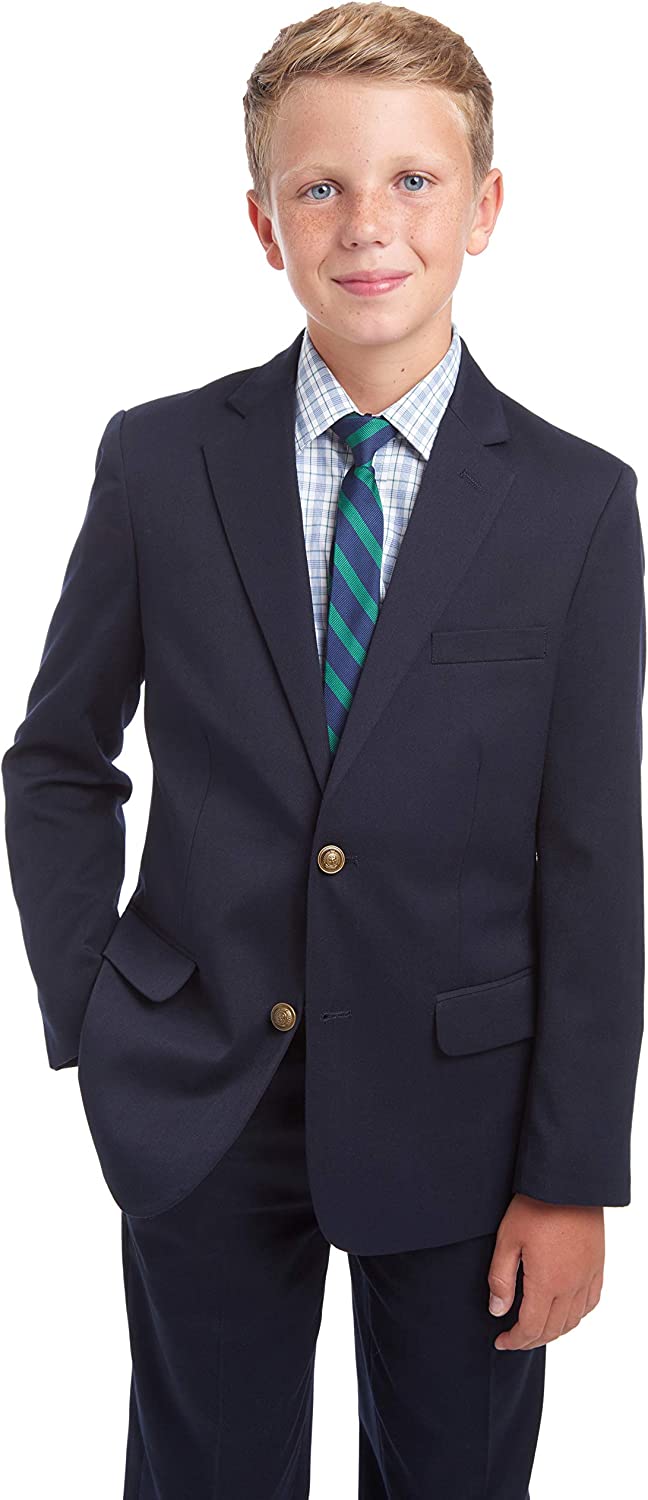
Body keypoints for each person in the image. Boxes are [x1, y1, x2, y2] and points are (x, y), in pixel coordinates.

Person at [2, 4, 645, 1496]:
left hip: (467, 1116)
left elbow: (594, 861)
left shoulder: (576, 505)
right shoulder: (160, 461)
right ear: (262, 221)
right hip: (202, 1093)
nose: (368, 225)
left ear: (485, 207)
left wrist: (575, 1175)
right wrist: (93, 1008)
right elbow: (58, 758)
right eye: (320, 187)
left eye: (414, 180)